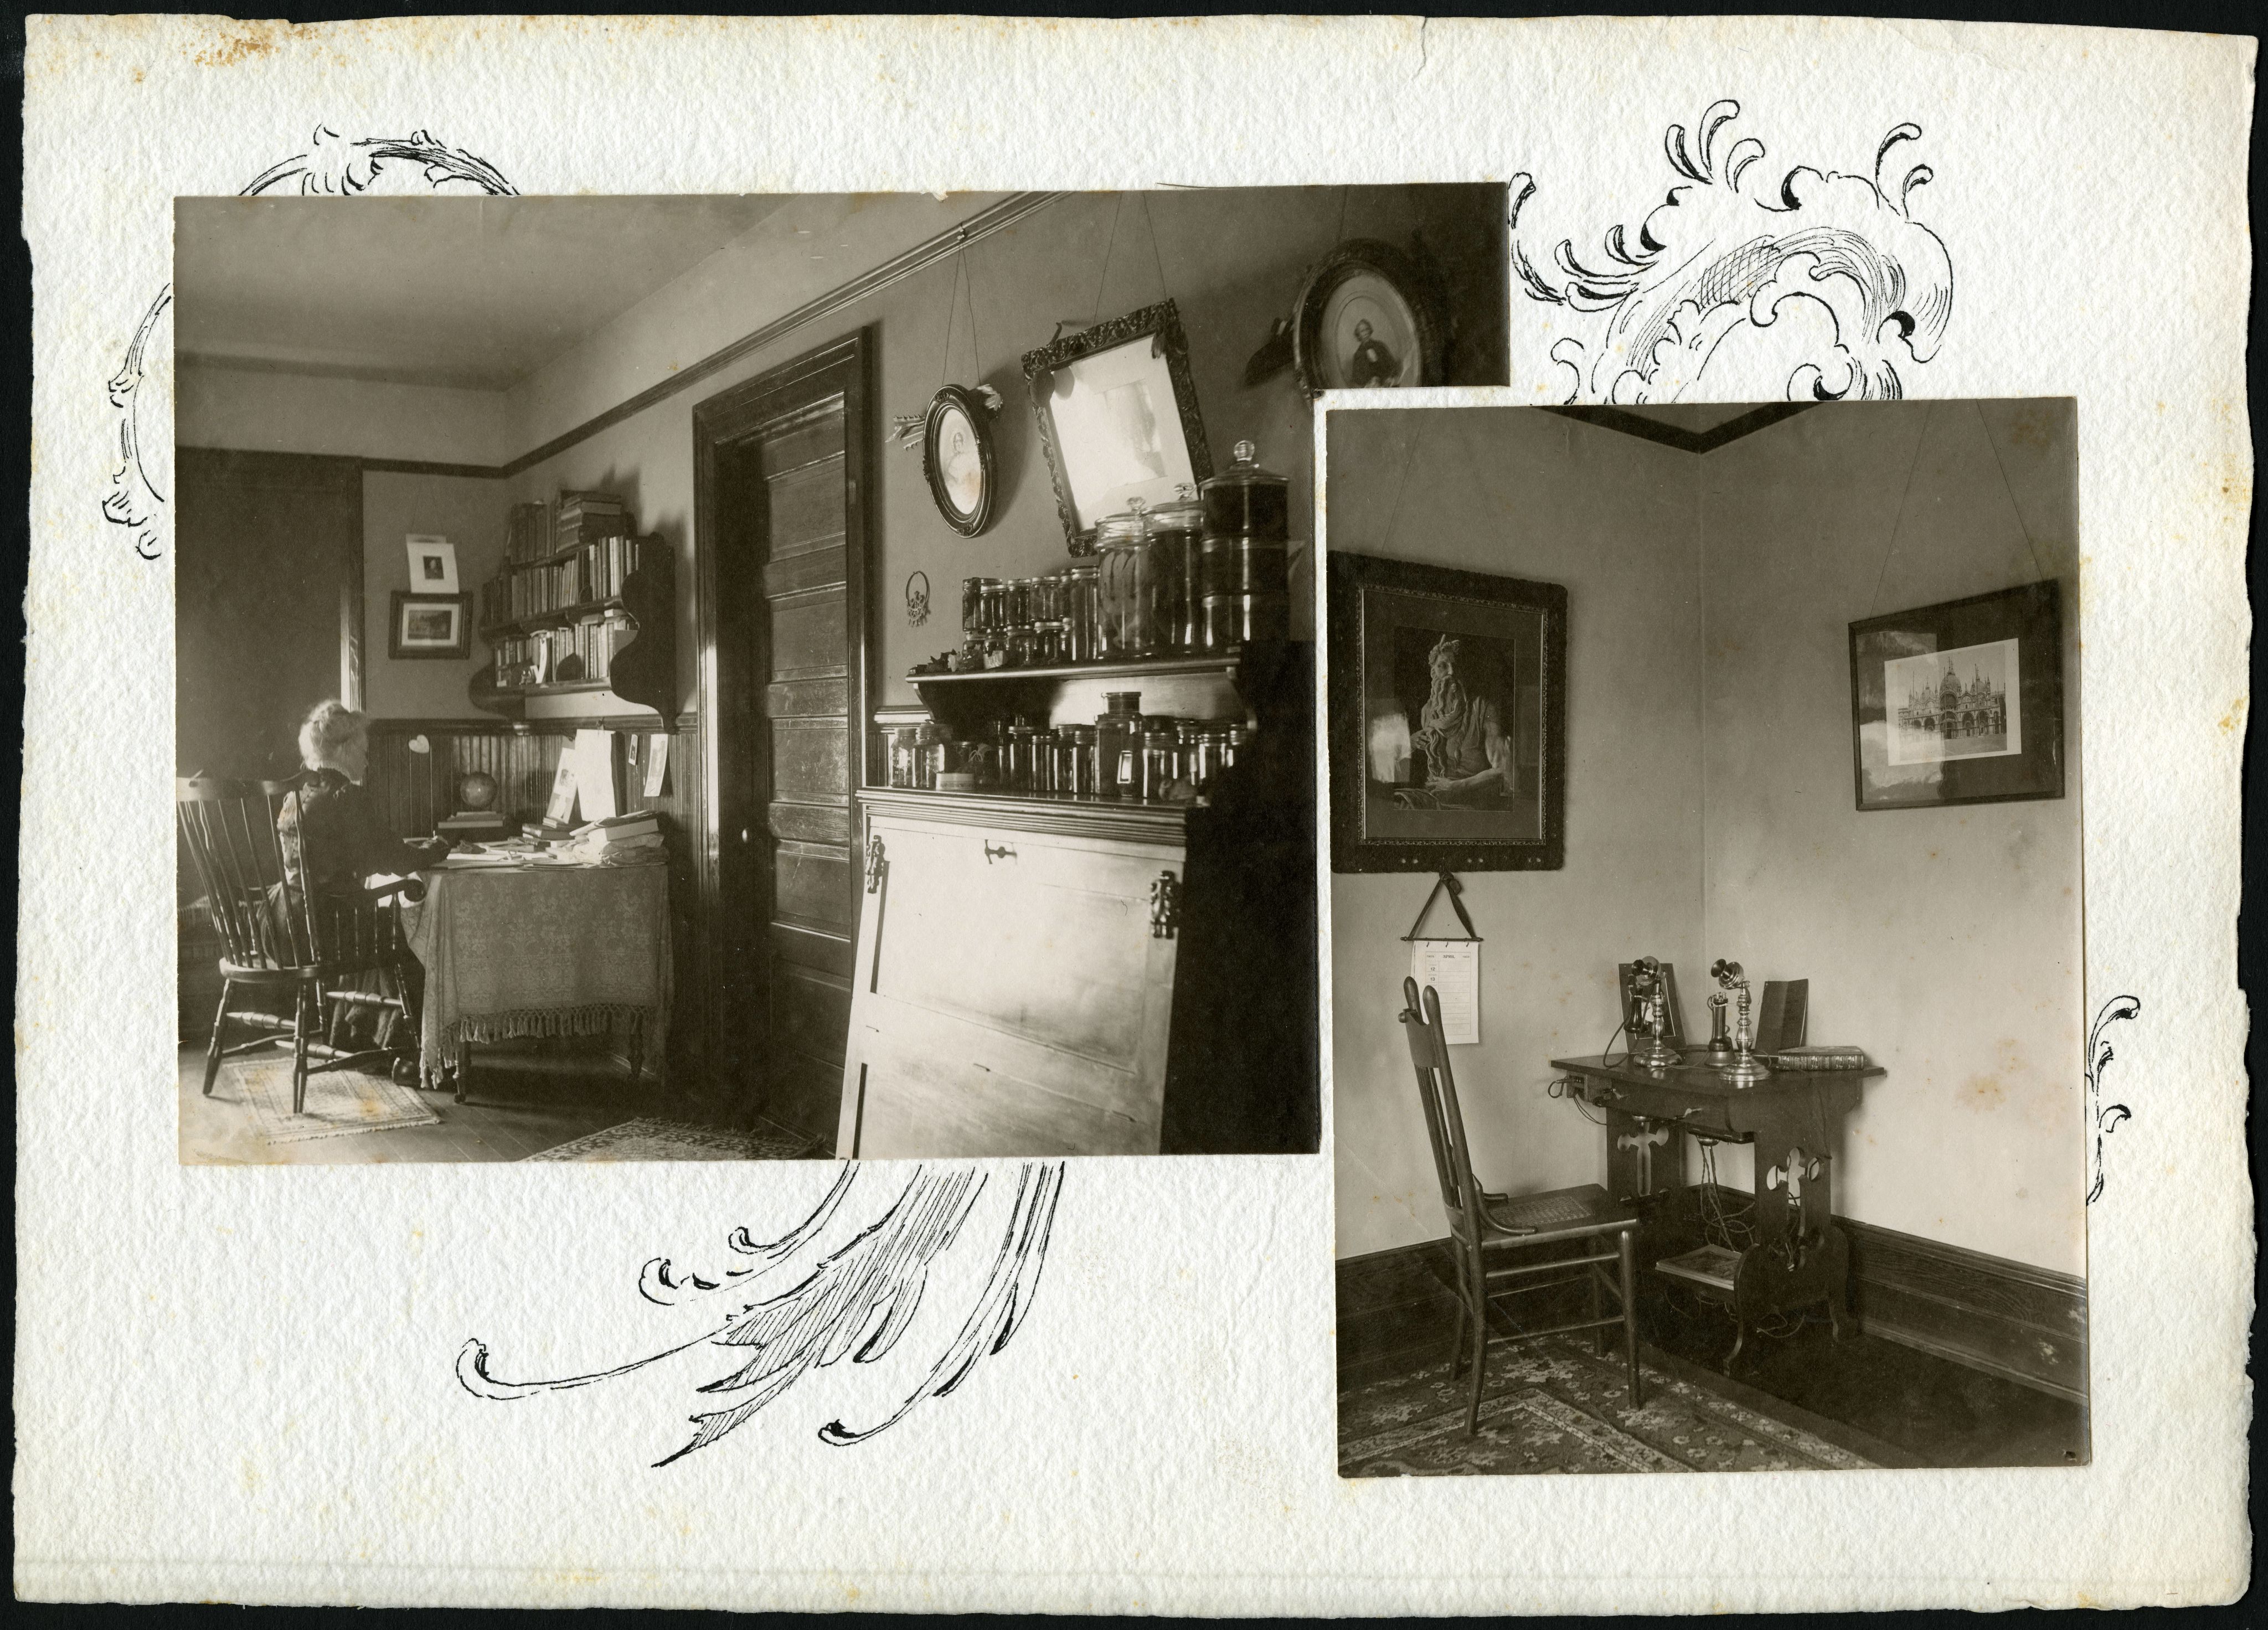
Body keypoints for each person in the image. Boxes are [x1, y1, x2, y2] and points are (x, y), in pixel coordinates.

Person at [1398, 635, 1515, 808]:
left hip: (1474, 800)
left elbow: (1502, 768)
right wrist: (1411, 743)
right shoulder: (1428, 712)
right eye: (1443, 666)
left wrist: (1457, 786)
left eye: (1456, 666)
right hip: (1438, 798)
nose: (1451, 672)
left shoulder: (1483, 709)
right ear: (1434, 672)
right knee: (1402, 804)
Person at [1348, 317, 1401, 388]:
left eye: (1367, 329)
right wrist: (1370, 381)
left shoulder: (1380, 346)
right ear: (1358, 335)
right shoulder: (1358, 354)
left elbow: (1392, 365)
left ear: (1370, 330)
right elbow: (1357, 377)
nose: (1366, 333)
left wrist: (1389, 377)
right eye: (1362, 331)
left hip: (1387, 383)